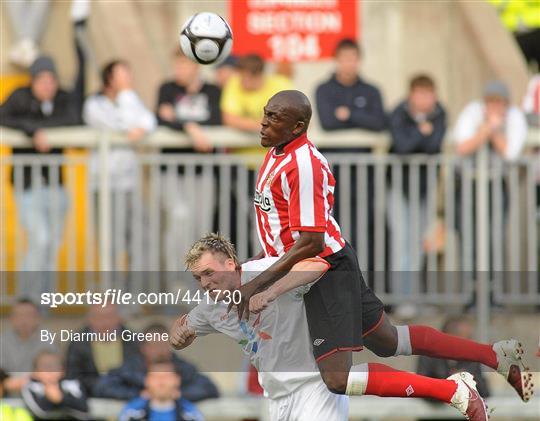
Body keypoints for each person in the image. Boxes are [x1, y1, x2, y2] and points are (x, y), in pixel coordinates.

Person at [230, 90, 533, 420]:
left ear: (297, 126)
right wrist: (256, 262)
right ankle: (494, 356)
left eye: (273, 117)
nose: (262, 122)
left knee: (336, 377)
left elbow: (312, 242)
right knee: (388, 340)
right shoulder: (277, 152)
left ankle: (455, 391)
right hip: (330, 260)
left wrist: (257, 281)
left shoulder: (303, 165)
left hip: (323, 271)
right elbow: (284, 233)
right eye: (265, 113)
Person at [170, 233, 349, 421]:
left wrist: (271, 292)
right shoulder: (210, 306)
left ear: (230, 265)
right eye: (198, 278)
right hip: (275, 396)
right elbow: (181, 327)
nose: (204, 283)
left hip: (315, 387)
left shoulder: (263, 271)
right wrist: (178, 338)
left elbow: (318, 264)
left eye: (209, 273)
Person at [0, 19, 86, 274]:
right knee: (40, 240)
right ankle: (30, 300)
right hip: (28, 184)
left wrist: (45, 129)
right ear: (33, 81)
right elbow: (3, 116)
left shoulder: (61, 99)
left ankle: (42, 303)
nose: (48, 85)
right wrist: (32, 129)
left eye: (52, 80)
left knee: (52, 245)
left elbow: (75, 117)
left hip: (55, 185)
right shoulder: (20, 96)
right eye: (43, 80)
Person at [83, 59, 157, 270]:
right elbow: (122, 124)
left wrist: (140, 125)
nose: (128, 79)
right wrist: (127, 96)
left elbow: (149, 121)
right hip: (105, 186)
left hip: (129, 184)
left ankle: (134, 295)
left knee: (139, 239)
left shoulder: (130, 100)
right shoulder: (94, 104)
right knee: (111, 244)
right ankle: (113, 295)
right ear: (110, 79)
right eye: (123, 74)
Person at [387, 74, 447, 318]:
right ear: (411, 95)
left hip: (425, 188)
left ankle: (417, 297)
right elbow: (402, 146)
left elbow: (435, 144)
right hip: (400, 188)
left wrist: (421, 136)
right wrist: (422, 133)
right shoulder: (398, 113)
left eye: (429, 94)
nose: (425, 100)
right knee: (402, 242)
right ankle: (403, 299)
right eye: (420, 94)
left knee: (420, 244)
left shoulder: (440, 113)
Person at [94, 323, 219, 402]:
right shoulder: (129, 369)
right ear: (144, 348)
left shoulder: (182, 368)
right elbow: (103, 387)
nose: (160, 350)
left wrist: (178, 394)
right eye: (155, 345)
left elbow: (208, 388)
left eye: (164, 345)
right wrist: (139, 395)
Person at [417, 316, 491, 421]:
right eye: (467, 338)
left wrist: (470, 382)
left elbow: (485, 391)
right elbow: (420, 389)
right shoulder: (428, 356)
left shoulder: (471, 358)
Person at [315, 38, 386, 137]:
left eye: (352, 59)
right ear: (336, 60)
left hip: (365, 151)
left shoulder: (372, 91)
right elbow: (327, 123)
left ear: (359, 60)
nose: (349, 64)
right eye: (344, 59)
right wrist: (363, 120)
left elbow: (379, 123)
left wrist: (350, 114)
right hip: (332, 151)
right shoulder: (323, 90)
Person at [65, 304, 140, 395]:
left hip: (126, 394)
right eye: (99, 317)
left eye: (109, 316)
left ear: (119, 318)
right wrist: (99, 385)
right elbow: (73, 376)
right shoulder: (78, 343)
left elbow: (138, 373)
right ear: (89, 319)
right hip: (90, 396)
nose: (105, 322)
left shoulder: (132, 340)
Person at [454, 80, 527, 161]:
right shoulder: (473, 110)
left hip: (502, 171)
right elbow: (462, 148)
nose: (494, 106)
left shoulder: (514, 115)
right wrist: (485, 131)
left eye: (498, 101)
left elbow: (511, 154)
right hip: (469, 170)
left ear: (507, 103)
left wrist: (493, 131)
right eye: (490, 101)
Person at [221, 54, 292, 134]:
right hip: (244, 145)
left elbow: (287, 119)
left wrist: (247, 123)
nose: (240, 81)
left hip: (274, 146)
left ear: (257, 75)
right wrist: (266, 124)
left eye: (244, 77)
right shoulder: (234, 82)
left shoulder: (281, 85)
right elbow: (230, 119)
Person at [0, 298, 55, 394]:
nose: (24, 320)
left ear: (38, 317)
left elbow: (54, 372)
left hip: (40, 394)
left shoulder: (48, 340)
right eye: (19, 315)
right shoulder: (3, 341)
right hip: (8, 395)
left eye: (28, 315)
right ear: (12, 318)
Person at [119, 360, 204, 421]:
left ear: (177, 380)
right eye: (155, 376)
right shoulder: (132, 413)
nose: (161, 381)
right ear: (147, 381)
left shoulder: (190, 414)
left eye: (166, 376)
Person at [22, 350, 89, 420]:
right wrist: (49, 397)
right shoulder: (30, 387)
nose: (51, 372)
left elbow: (84, 410)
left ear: (63, 371)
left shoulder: (71, 384)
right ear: (35, 373)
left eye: (55, 368)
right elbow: (39, 411)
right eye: (45, 368)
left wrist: (62, 398)